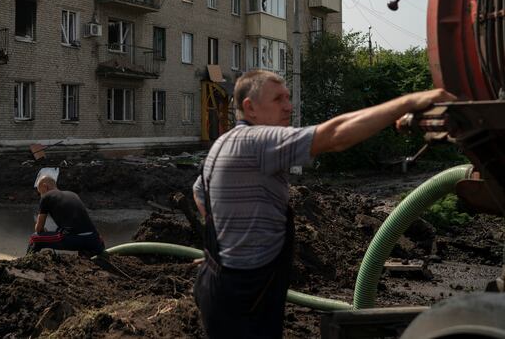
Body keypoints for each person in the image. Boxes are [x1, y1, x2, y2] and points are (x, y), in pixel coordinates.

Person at [192, 70, 454, 338]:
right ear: (250, 108)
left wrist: (223, 248)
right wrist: (409, 101)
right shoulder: (256, 142)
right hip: (245, 296)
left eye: (288, 98)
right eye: (278, 99)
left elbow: (199, 192)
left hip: (220, 282)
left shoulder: (224, 142)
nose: (289, 106)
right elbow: (335, 135)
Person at [27, 176, 105, 256]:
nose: (40, 196)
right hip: (95, 240)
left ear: (45, 186)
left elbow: (39, 229)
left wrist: (43, 230)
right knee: (63, 231)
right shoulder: (73, 194)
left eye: (40, 192)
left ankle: (25, 264)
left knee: (35, 238)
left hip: (74, 240)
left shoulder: (46, 197)